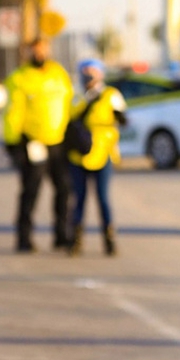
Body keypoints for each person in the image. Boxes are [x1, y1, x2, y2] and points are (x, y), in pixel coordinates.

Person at [3, 38, 74, 253]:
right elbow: (13, 112)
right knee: (31, 190)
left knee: (64, 189)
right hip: (33, 142)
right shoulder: (19, 78)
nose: (39, 54)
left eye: (43, 49)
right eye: (35, 50)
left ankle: (61, 234)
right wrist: (12, 142)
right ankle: (24, 237)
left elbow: (69, 104)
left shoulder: (58, 74)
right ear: (28, 53)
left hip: (58, 142)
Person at [66, 58, 128, 257]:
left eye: (92, 72)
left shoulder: (111, 95)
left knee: (103, 198)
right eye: (85, 72)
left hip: (103, 154)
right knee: (79, 199)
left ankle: (109, 240)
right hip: (78, 155)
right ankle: (75, 240)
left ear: (100, 74)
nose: (89, 77)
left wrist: (118, 115)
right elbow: (69, 118)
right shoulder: (76, 96)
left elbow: (123, 119)